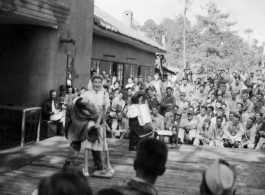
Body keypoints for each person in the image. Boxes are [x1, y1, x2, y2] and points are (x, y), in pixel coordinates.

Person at [63, 74, 113, 176]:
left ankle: (102, 164)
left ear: (102, 83)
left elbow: (104, 110)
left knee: (99, 141)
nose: (97, 84)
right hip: (86, 120)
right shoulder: (87, 93)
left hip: (99, 118)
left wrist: (99, 121)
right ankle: (73, 163)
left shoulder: (104, 93)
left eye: (99, 82)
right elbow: (76, 101)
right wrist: (83, 104)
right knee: (84, 141)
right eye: (95, 82)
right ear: (92, 83)